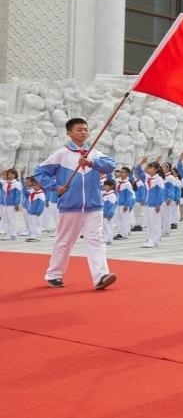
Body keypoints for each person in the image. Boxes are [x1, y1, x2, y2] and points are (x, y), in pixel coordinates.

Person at [36, 117, 118, 289]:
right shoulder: (61, 154)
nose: (83, 132)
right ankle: (54, 274)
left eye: (86, 129)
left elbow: (111, 165)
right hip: (70, 205)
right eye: (79, 130)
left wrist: (91, 163)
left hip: (94, 205)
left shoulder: (94, 153)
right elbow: (40, 172)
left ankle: (101, 276)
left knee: (96, 240)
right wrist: (54, 187)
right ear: (69, 133)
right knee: (65, 241)